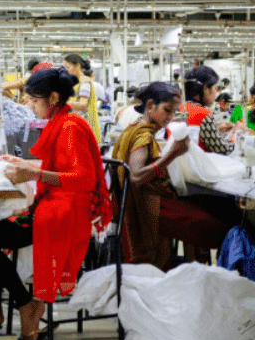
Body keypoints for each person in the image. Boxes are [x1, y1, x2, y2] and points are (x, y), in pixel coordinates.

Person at [0, 68, 112, 340]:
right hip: (54, 204)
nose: (29, 106)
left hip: (64, 213)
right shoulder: (61, 123)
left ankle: (22, 303)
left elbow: (83, 179)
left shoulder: (69, 128)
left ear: (53, 98)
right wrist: (27, 166)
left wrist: (33, 175)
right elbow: (59, 168)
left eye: (34, 100)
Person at [112, 82, 234, 270]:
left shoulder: (134, 128)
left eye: (173, 112)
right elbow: (135, 176)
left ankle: (196, 269)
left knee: (209, 205)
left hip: (145, 203)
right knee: (219, 228)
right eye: (167, 110)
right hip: (149, 209)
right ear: (151, 105)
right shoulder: (143, 137)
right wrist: (173, 154)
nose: (170, 117)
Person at [180, 66, 241, 155]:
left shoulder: (181, 108)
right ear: (205, 88)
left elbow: (198, 135)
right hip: (199, 165)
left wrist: (215, 131)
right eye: (215, 88)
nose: (216, 93)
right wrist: (235, 134)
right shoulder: (203, 114)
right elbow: (224, 149)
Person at [62, 54, 101, 143]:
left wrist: (62, 104)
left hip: (82, 127)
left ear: (78, 66)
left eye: (68, 67)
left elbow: (83, 104)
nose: (66, 71)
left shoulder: (84, 82)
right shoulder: (76, 83)